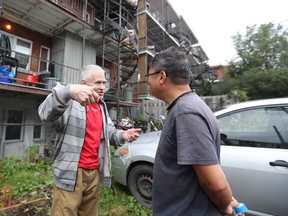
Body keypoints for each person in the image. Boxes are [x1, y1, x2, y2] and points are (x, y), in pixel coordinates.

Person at [146, 47, 245, 216]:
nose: (147, 81)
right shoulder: (188, 106)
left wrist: (225, 206)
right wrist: (230, 200)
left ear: (162, 77)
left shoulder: (186, 112)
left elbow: (216, 183)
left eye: (148, 76)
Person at [38, 64, 141, 216]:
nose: (102, 87)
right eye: (97, 83)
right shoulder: (70, 104)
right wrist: (68, 90)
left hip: (94, 172)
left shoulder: (101, 107)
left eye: (104, 83)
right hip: (71, 172)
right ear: (84, 84)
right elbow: (44, 115)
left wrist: (123, 135)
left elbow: (109, 132)